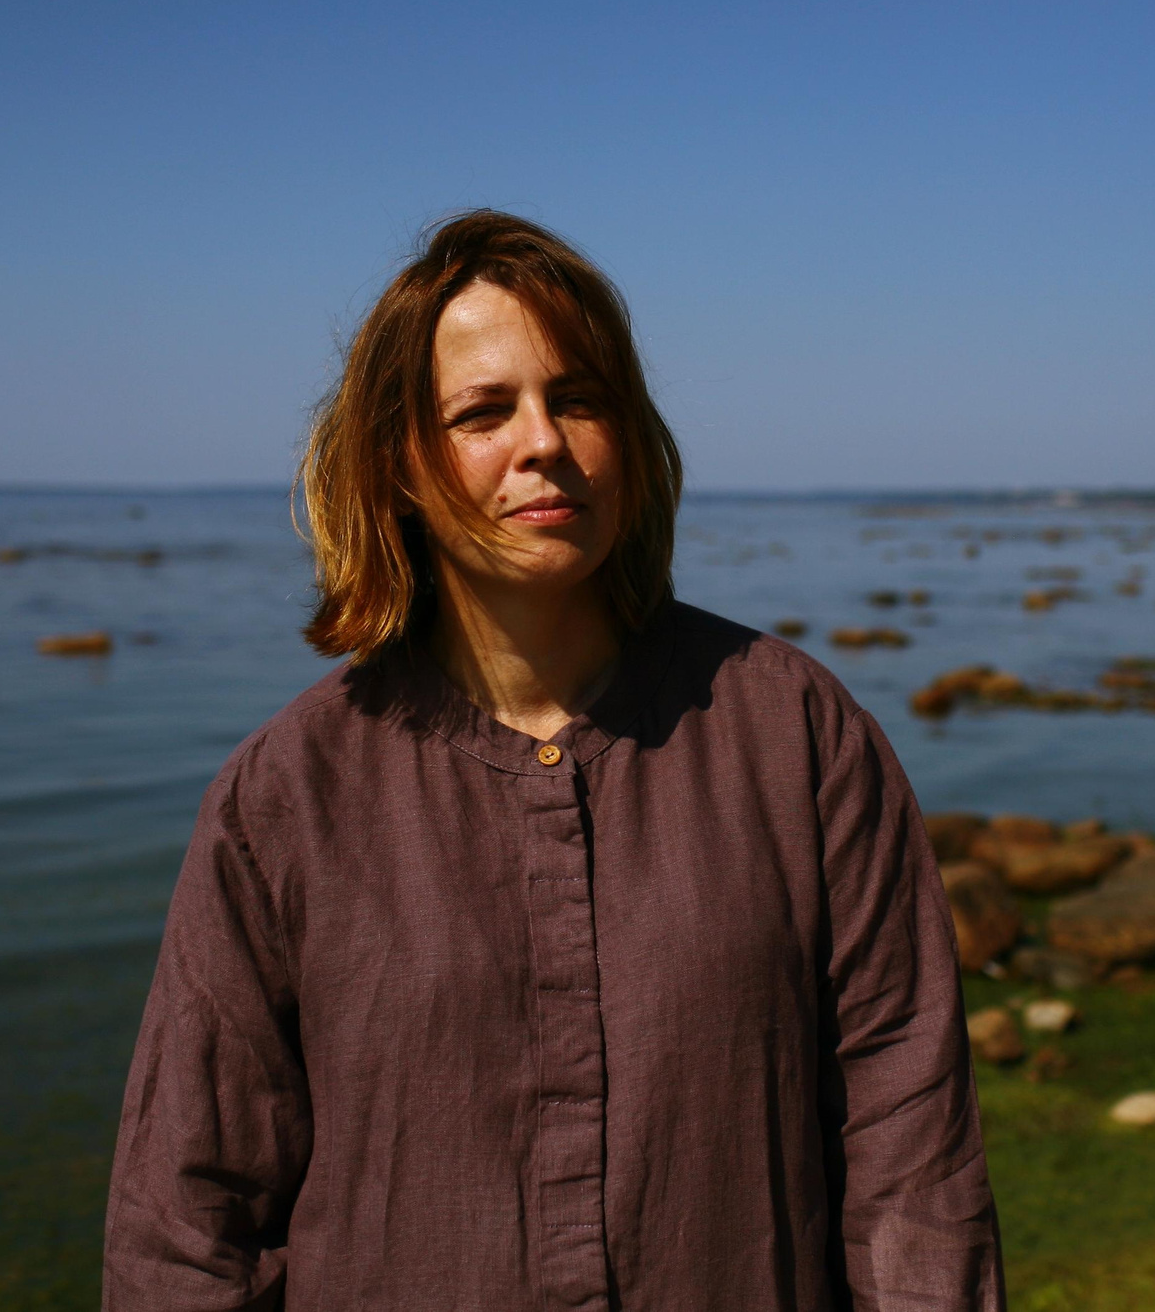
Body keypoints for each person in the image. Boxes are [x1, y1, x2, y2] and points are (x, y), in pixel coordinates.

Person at [104, 210, 1005, 1310]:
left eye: (577, 399)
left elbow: (912, 1163)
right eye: (483, 412)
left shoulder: (797, 735)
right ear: (399, 465)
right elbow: (187, 1221)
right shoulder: (288, 796)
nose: (544, 442)